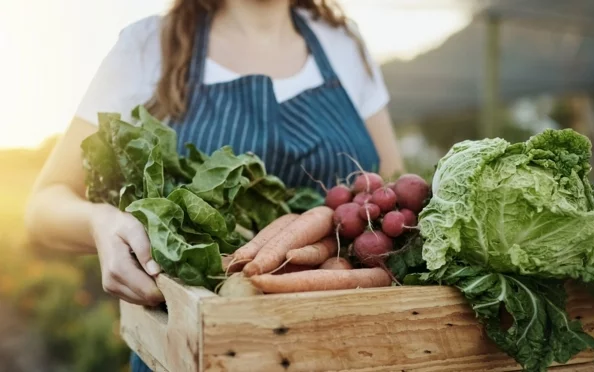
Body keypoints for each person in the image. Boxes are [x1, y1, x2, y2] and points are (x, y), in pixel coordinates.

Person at [24, 0, 403, 370]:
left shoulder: (342, 41)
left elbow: (391, 190)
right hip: (195, 350)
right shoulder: (147, 46)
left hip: (351, 346)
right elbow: (43, 206)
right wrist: (100, 223)